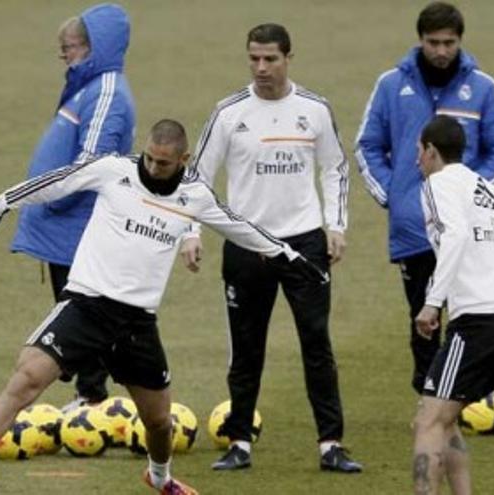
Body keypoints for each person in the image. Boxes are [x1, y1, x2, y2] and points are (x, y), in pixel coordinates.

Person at [0, 119, 329, 495]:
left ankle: (161, 478)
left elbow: (240, 227)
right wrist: (1, 202)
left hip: (137, 323)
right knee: (28, 377)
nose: (153, 167)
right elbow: (59, 181)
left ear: (183, 161)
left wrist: (290, 258)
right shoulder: (112, 170)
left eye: (164, 162)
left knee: (157, 422)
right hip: (86, 305)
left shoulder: (195, 197)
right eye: (150, 157)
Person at [188, 23, 360, 472]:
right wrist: (191, 234)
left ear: (288, 58)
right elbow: (198, 179)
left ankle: (331, 444)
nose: (261, 68)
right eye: (254, 59)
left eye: (270, 59)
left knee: (316, 343)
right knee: (246, 348)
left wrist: (335, 225)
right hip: (246, 244)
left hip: (304, 244)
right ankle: (239, 442)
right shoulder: (229, 113)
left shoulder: (314, 109)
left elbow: (335, 169)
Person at [354, 1, 494, 394]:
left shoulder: (482, 88)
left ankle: (470, 395)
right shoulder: (391, 85)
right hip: (414, 228)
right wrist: (394, 197)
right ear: (420, 41)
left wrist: (471, 196)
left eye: (449, 42)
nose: (441, 51)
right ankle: (429, 396)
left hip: (469, 230)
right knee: (423, 320)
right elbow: (367, 147)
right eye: (433, 42)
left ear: (460, 41)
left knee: (471, 314)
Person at [10, 2, 135, 410]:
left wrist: (55, 202)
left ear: (95, 47)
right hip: (65, 224)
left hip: (78, 224)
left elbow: (90, 166)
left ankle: (93, 395)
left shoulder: (105, 93)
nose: (65, 56)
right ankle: (90, 390)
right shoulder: (88, 87)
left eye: (71, 47)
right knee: (75, 308)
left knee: (83, 312)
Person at [411, 115, 494, 495]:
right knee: (446, 421)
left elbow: (456, 235)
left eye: (419, 152)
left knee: (427, 422)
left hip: (478, 323)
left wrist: (432, 303)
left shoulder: (438, 183)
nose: (418, 161)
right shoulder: (491, 190)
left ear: (431, 150)